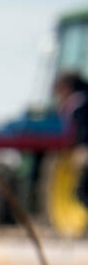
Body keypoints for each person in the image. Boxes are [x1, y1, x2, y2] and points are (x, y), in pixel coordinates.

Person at [54, 69, 88, 214]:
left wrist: (82, 148)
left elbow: (83, 129)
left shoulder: (78, 104)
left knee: (81, 191)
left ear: (66, 87)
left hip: (84, 147)